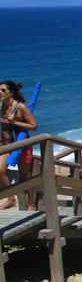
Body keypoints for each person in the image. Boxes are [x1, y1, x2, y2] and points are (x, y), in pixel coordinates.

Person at [0, 81, 38, 210]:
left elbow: (34, 126)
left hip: (22, 146)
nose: (0, 92)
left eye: (3, 90)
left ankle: (31, 203)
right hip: (6, 145)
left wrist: (15, 121)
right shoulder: (1, 106)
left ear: (12, 92)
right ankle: (11, 198)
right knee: (0, 171)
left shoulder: (21, 107)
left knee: (25, 176)